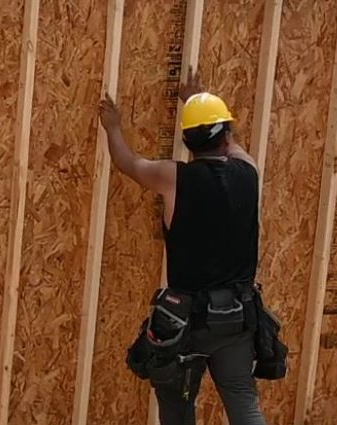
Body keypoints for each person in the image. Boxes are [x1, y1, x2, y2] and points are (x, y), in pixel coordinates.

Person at [100, 72, 281, 425]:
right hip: (237, 318)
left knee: (178, 410)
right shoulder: (249, 171)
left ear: (186, 140)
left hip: (188, 323)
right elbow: (232, 142)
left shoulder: (174, 177)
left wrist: (113, 127)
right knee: (244, 404)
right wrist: (200, 100)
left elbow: (128, 163)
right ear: (227, 133)